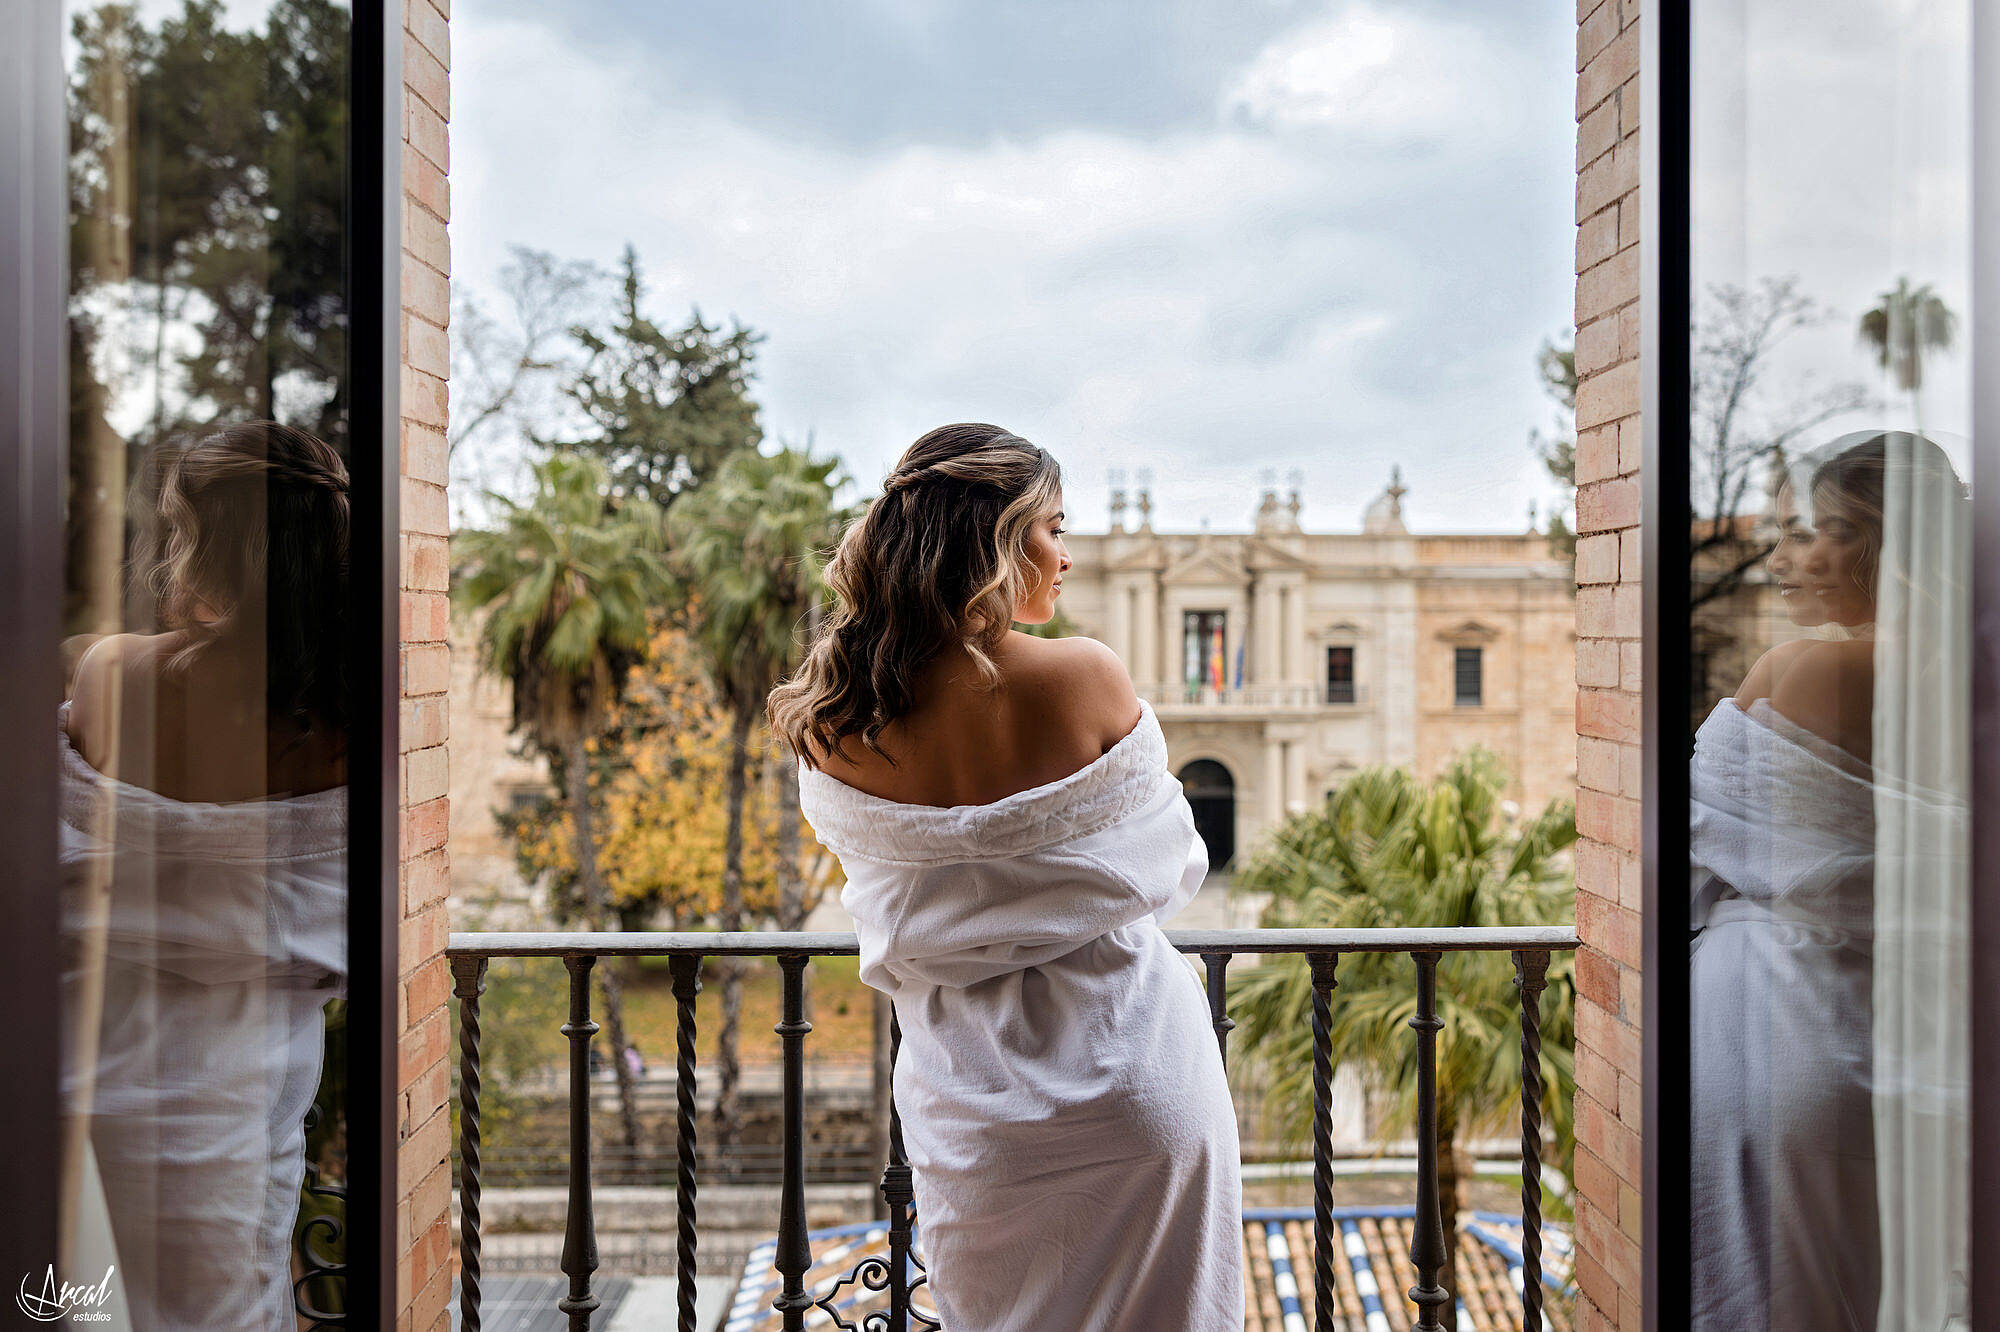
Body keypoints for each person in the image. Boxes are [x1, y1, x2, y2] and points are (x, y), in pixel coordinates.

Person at [770, 423, 1243, 1332]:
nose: (1064, 557)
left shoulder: (837, 719)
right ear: (993, 538)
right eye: (1053, 529)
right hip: (1134, 1071)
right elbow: (1174, 861)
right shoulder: (1084, 675)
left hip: (965, 1100)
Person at [59, 421, 351, 1330]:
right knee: (223, 1297)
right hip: (238, 1089)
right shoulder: (354, 719)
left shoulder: (118, 675)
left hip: (78, 1058)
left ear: (209, 545)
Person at [1687, 430, 1965, 1330]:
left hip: (1779, 1032)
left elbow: (1688, 845)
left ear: (1881, 545)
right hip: (1927, 1042)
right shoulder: (1975, 679)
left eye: (1813, 533)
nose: (1781, 558)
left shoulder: (1802, 669)